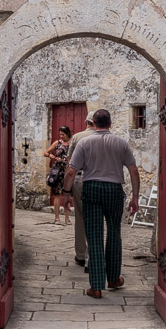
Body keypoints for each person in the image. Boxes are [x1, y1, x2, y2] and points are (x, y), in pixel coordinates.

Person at [62, 109, 140, 299]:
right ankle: (113, 278)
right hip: (114, 190)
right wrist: (135, 197)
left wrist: (66, 194)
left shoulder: (84, 142)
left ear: (93, 123)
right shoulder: (121, 143)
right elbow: (133, 171)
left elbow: (71, 171)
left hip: (92, 189)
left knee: (94, 235)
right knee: (114, 233)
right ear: (110, 123)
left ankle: (96, 286)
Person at [66, 111, 96, 268]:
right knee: (95, 218)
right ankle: (92, 256)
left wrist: (67, 188)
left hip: (80, 178)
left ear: (86, 122)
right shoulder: (105, 137)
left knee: (80, 217)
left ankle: (80, 255)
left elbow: (70, 164)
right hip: (98, 179)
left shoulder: (77, 137)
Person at [44, 126, 72, 225]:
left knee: (67, 194)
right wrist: (52, 156)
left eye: (63, 134)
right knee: (57, 194)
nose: (61, 136)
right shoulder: (57, 143)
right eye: (60, 134)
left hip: (68, 171)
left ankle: (67, 218)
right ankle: (57, 218)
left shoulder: (72, 144)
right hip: (58, 171)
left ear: (68, 134)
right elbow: (46, 153)